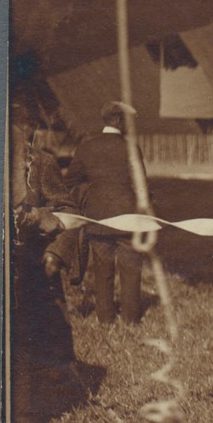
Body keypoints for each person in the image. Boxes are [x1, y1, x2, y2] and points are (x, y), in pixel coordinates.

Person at [10, 97, 82, 423]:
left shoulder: (40, 164)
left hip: (34, 270)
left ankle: (33, 418)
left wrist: (55, 251)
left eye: (19, 127)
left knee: (37, 342)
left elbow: (69, 212)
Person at [66, 100, 145, 325]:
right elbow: (141, 185)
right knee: (131, 268)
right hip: (129, 218)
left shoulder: (86, 147)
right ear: (119, 121)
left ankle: (106, 319)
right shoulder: (131, 148)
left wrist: (90, 193)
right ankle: (130, 320)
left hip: (97, 218)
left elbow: (70, 180)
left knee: (103, 270)